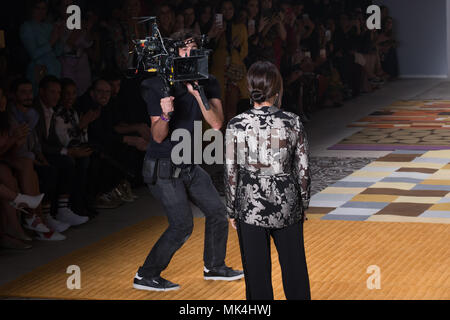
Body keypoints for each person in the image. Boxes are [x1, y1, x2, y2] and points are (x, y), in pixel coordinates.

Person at [135, 30, 243, 292]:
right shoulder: (157, 85)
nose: (189, 54)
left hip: (190, 163)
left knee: (218, 212)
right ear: (173, 52)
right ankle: (146, 274)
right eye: (183, 49)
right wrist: (165, 115)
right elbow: (158, 137)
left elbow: (216, 123)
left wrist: (197, 93)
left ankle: (215, 266)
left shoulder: (209, 81)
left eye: (193, 48)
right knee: (182, 224)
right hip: (163, 167)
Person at [225, 61, 311, 300]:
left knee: (257, 277)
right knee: (295, 273)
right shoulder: (292, 122)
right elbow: (303, 169)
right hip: (287, 204)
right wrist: (303, 204)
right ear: (277, 88)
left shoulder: (236, 124)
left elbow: (231, 172)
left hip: (249, 206)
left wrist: (232, 210)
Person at [20, 0, 64, 95]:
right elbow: (34, 54)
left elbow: (58, 52)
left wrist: (59, 38)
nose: (41, 11)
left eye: (43, 9)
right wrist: (52, 41)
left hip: (55, 71)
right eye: (38, 8)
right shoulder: (26, 27)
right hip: (39, 72)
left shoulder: (49, 26)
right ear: (32, 9)